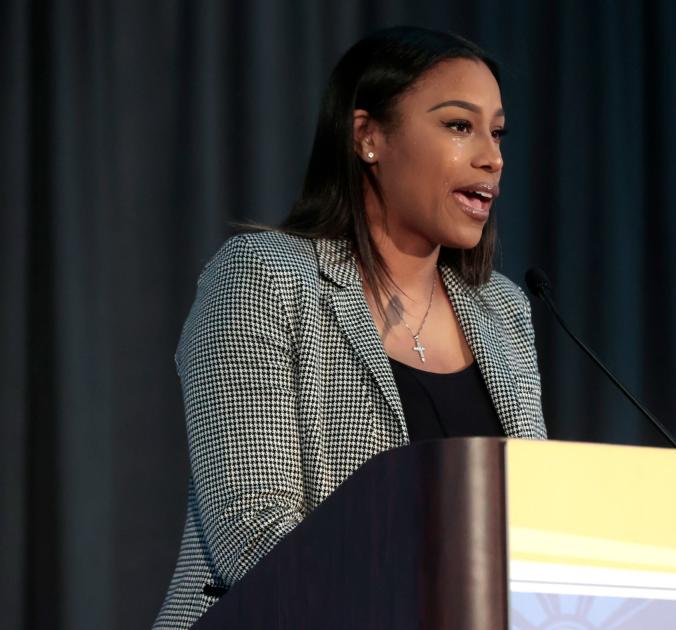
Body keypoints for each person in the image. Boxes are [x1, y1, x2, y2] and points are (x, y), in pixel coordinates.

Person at [153, 25, 547, 629]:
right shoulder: (264, 278)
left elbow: (536, 535)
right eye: (458, 126)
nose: (492, 156)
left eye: (497, 132)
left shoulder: (504, 310)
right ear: (368, 137)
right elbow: (251, 532)